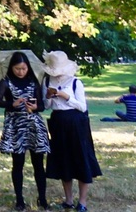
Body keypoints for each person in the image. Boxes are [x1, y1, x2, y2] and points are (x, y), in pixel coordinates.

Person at [42, 51, 100, 211]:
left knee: (80, 159)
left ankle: (82, 202)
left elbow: (82, 107)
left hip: (76, 122)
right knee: (64, 160)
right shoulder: (47, 81)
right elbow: (46, 106)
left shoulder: (76, 83)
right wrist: (48, 97)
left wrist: (66, 96)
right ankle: (68, 200)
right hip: (58, 122)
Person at [0, 52, 51, 210]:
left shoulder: (33, 82)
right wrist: (11, 103)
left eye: (24, 68)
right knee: (17, 163)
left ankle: (42, 198)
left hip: (34, 125)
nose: (21, 71)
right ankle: (19, 200)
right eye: (17, 68)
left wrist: (35, 107)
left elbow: (41, 106)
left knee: (38, 164)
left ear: (28, 67)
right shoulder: (5, 82)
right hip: (15, 125)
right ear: (12, 67)